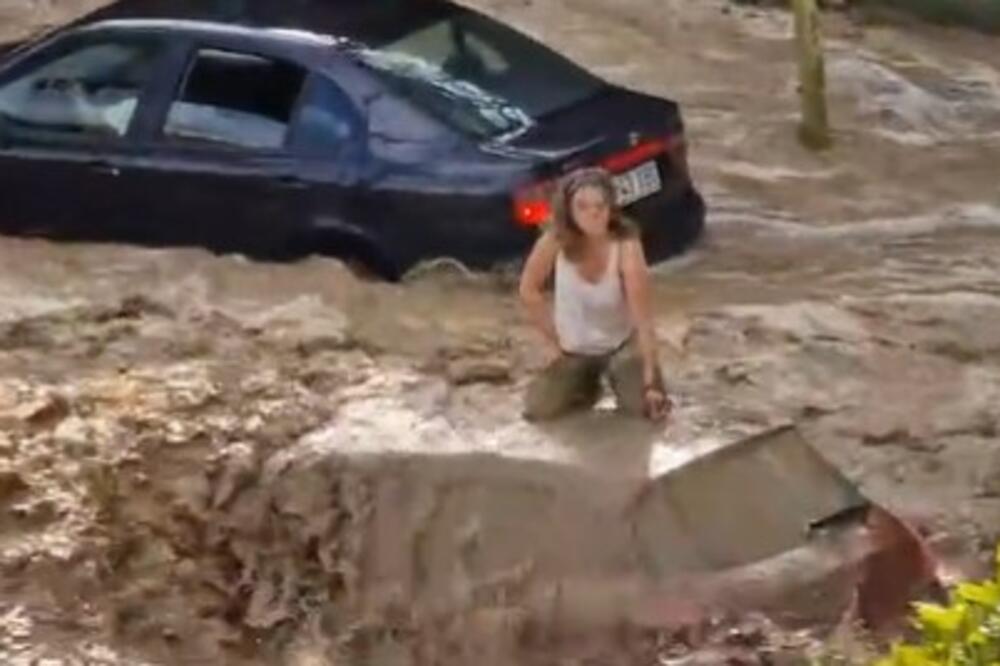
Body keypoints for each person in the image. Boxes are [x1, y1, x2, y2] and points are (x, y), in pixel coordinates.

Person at [518, 166, 671, 422]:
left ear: (611, 208)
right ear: (569, 211)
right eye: (583, 206)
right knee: (537, 412)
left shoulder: (626, 245)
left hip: (619, 346)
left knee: (647, 412)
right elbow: (528, 289)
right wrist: (553, 342)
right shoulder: (555, 239)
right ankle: (585, 385)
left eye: (600, 206)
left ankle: (621, 381)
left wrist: (651, 381)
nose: (593, 214)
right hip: (573, 349)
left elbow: (643, 318)